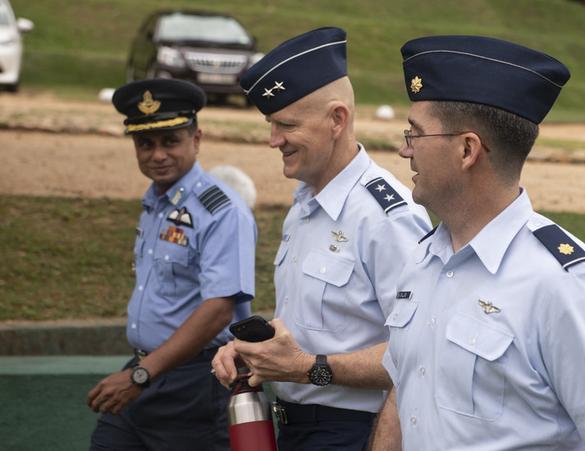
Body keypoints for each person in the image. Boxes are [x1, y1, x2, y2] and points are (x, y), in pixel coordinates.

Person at [369, 35, 585, 450]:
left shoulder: (561, 283)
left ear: (467, 150)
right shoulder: (424, 258)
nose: (404, 150)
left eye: (415, 134)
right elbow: (406, 389)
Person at [211, 27, 431, 450]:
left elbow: (421, 350)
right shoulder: (306, 205)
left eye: (287, 125)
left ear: (337, 119)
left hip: (355, 432)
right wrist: (256, 353)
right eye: (272, 124)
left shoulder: (385, 216)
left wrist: (307, 367)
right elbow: (315, 327)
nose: (274, 140)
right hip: (294, 426)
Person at [87, 78, 257, 451]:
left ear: (196, 140)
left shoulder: (221, 210)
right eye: (145, 144)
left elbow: (217, 310)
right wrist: (141, 372)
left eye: (171, 141)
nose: (158, 154)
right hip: (146, 372)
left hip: (194, 384)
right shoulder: (155, 203)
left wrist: (141, 375)